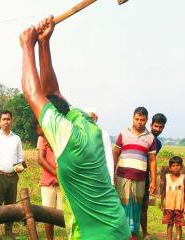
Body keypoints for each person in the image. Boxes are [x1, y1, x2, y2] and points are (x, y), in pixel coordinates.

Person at [20, 16, 130, 239]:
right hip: (118, 227)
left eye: (44, 133)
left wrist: (27, 46)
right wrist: (44, 42)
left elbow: (33, 93)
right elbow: (53, 93)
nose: (46, 139)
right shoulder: (83, 122)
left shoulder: (67, 137)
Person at [113, 107, 157, 239]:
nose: (139, 122)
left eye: (142, 120)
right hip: (122, 176)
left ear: (146, 120)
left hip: (140, 178)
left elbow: (153, 161)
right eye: (137, 119)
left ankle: (132, 234)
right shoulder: (123, 134)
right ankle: (120, 232)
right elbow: (115, 154)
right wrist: (112, 174)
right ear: (133, 118)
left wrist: (154, 180)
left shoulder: (150, 138)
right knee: (122, 203)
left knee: (137, 205)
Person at [0, 110, 24, 240]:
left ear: (12, 121)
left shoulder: (16, 139)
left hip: (13, 177)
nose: (6, 122)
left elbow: (20, 159)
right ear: (0, 122)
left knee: (11, 205)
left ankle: (8, 230)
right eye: (4, 119)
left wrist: (20, 168)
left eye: (8, 119)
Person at [33, 116, 62, 240]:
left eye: (41, 131)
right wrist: (57, 174)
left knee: (64, 214)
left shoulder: (60, 136)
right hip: (48, 181)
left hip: (64, 182)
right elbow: (41, 159)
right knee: (47, 214)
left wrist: (62, 176)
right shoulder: (41, 138)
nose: (40, 135)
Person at [141, 113, 167, 240]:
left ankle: (145, 233)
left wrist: (152, 180)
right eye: (156, 126)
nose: (157, 129)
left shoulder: (158, 143)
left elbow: (152, 162)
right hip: (133, 172)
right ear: (151, 125)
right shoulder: (142, 136)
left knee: (144, 205)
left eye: (161, 127)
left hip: (145, 175)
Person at [160, 156, 185, 240]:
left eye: (178, 165)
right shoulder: (167, 177)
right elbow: (163, 191)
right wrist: (162, 203)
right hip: (168, 206)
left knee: (179, 225)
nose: (175, 167)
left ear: (181, 167)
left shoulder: (184, 177)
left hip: (179, 206)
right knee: (169, 224)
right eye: (173, 165)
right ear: (170, 168)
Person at [84, 108, 114, 185]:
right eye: (86, 118)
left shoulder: (103, 134)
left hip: (101, 176)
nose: (88, 120)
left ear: (96, 118)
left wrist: (111, 180)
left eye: (91, 118)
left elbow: (108, 156)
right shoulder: (81, 134)